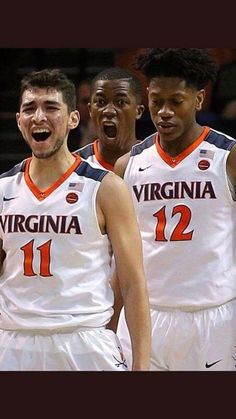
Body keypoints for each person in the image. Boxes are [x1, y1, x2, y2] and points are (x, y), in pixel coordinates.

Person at [0, 68, 151, 371]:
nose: (39, 116)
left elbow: (133, 284)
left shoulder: (105, 188)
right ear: (19, 121)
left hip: (84, 343)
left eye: (51, 107)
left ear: (73, 119)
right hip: (14, 343)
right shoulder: (3, 188)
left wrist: (142, 367)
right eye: (29, 108)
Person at [114, 48, 236, 371]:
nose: (164, 112)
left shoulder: (228, 158)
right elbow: (117, 260)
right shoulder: (127, 166)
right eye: (156, 101)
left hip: (214, 317)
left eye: (176, 102)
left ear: (198, 100)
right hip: (145, 316)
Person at [75, 67, 145, 171]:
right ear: (90, 110)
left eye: (120, 102)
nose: (109, 111)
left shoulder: (156, 162)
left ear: (138, 111)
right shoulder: (73, 166)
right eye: (100, 102)